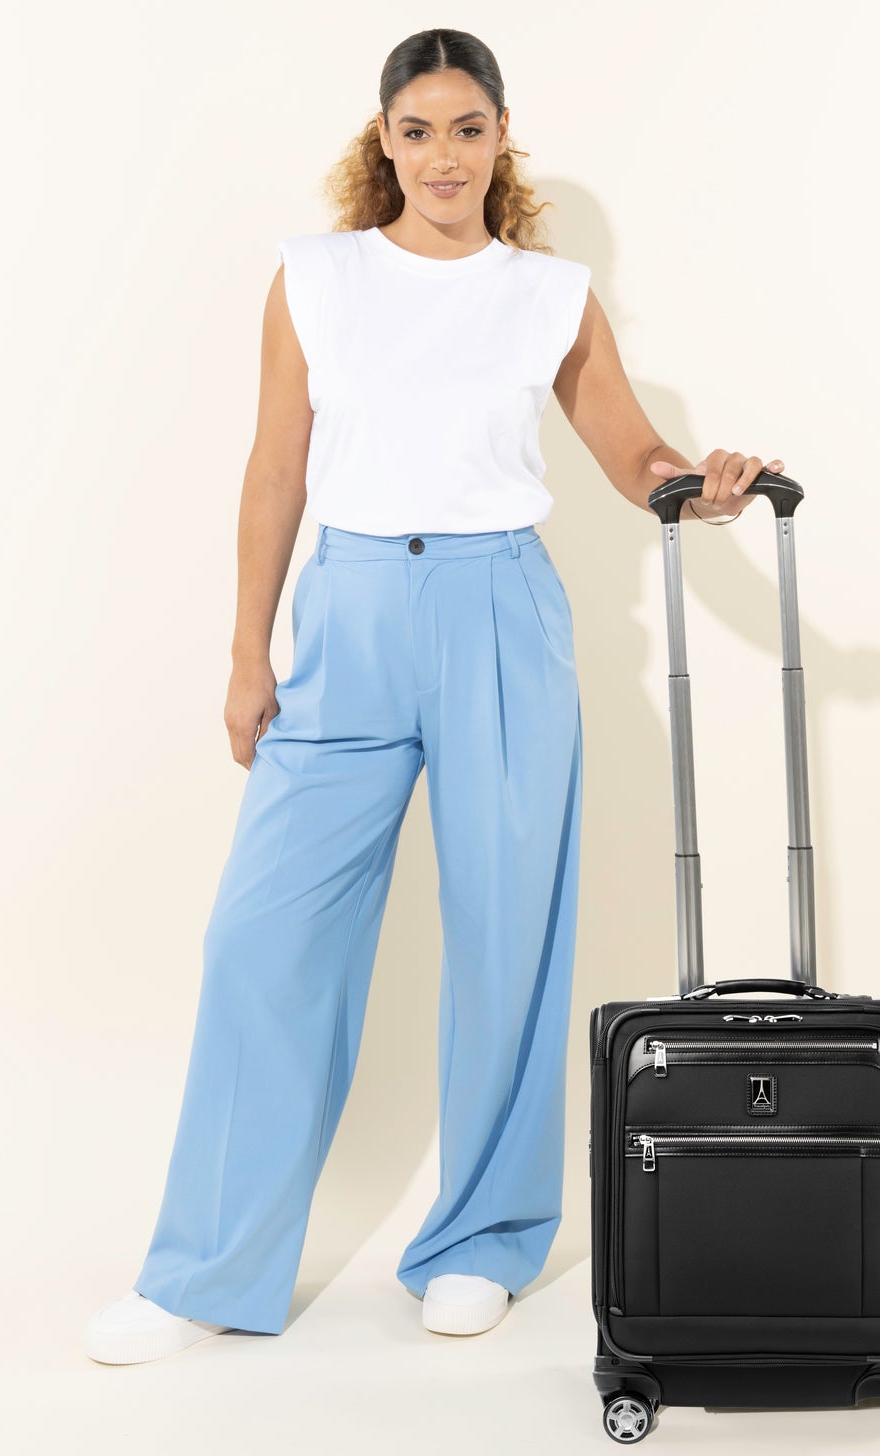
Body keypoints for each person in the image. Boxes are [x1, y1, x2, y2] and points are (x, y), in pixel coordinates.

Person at [85, 28, 785, 1365]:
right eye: (418, 131)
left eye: (468, 129)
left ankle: (481, 1240)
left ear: (502, 137)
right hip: (346, 616)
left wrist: (701, 482)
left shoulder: (550, 293)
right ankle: (205, 1268)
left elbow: (627, 449)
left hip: (500, 615)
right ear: (383, 141)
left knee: (508, 933)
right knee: (264, 942)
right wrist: (248, 651)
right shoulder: (315, 278)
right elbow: (273, 470)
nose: (444, 156)